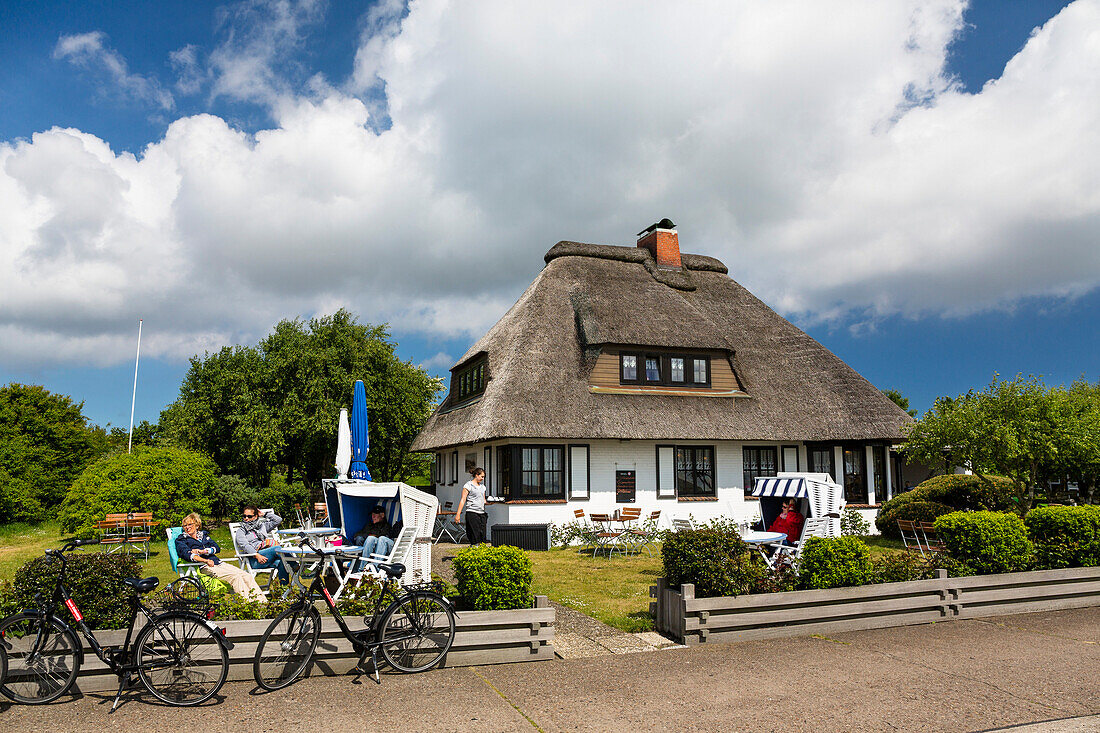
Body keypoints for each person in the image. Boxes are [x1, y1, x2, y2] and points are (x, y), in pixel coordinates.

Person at [176, 512, 264, 600]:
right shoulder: (182, 540)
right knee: (235, 577)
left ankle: (262, 602)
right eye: (185, 526)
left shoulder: (204, 536)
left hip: (218, 563)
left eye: (190, 524)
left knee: (246, 575)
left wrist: (204, 551)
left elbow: (217, 548)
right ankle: (249, 605)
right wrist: (205, 560)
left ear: (197, 525)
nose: (187, 527)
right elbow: (188, 554)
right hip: (204, 566)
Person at [234, 506, 289, 584]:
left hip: (266, 557)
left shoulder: (261, 526)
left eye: (249, 516)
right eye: (244, 516)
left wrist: (265, 514)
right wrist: (257, 555)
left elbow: (278, 520)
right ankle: (295, 564)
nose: (246, 518)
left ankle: (284, 589)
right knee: (277, 548)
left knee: (281, 562)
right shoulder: (241, 531)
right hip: (255, 560)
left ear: (256, 516)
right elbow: (245, 545)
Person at [455, 466, 488, 544]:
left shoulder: (483, 487)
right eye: (482, 476)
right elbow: (463, 500)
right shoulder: (468, 485)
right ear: (476, 475)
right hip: (472, 512)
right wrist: (458, 514)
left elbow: (483, 501)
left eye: (484, 477)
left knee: (482, 535)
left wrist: (493, 502)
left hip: (482, 513)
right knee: (474, 535)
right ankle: (474, 549)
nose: (483, 479)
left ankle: (481, 552)